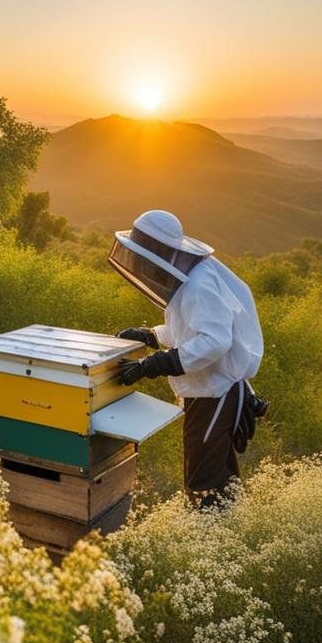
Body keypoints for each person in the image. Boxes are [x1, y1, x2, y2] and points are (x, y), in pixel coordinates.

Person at [107, 210, 267, 508]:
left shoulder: (198, 285)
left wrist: (152, 364)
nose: (142, 266)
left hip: (216, 392)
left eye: (144, 258)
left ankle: (210, 542)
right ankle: (230, 532)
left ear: (158, 254)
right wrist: (151, 335)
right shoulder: (191, 277)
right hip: (208, 392)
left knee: (202, 481)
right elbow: (189, 330)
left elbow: (215, 341)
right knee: (217, 473)